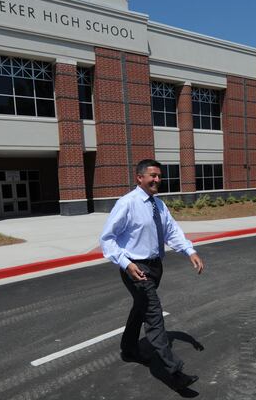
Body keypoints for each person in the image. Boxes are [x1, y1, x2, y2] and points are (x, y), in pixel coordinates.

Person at [100, 159, 205, 390]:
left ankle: (129, 350)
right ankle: (174, 372)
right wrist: (126, 264)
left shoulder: (158, 205)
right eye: (152, 175)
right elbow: (107, 240)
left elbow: (171, 231)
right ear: (139, 178)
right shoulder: (127, 203)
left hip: (155, 266)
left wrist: (190, 251)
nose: (157, 179)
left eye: (159, 175)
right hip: (136, 269)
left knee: (141, 308)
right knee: (154, 315)